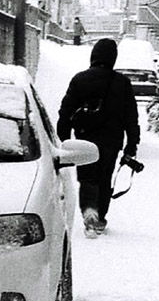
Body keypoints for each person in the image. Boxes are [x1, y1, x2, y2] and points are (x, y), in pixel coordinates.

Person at [57, 38, 140, 236]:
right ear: (113, 58)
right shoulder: (122, 83)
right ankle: (100, 217)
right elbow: (131, 116)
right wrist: (132, 144)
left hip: (84, 139)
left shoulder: (79, 79)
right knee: (104, 178)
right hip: (111, 141)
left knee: (87, 178)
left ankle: (89, 212)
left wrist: (65, 139)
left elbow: (65, 111)